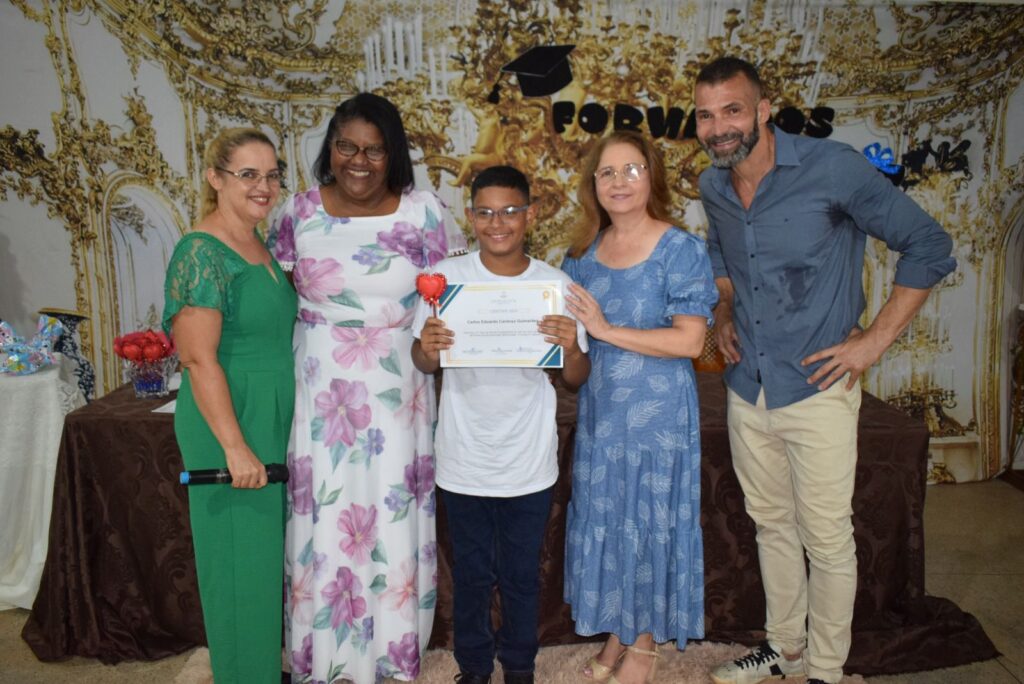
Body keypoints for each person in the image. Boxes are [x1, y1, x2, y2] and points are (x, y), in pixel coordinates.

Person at [694, 57, 956, 684]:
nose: (718, 127)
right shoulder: (712, 184)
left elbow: (930, 245)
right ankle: (784, 649)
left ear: (763, 111)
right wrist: (724, 310)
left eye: (733, 110)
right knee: (771, 527)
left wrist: (873, 343)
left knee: (827, 537)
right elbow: (720, 253)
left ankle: (826, 670)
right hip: (747, 387)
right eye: (705, 115)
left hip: (819, 388)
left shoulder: (832, 167)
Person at [268, 93, 467, 684]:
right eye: (347, 146)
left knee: (391, 513)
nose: (359, 160)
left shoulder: (425, 214)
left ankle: (391, 658)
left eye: (374, 150)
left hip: (399, 385)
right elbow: (276, 304)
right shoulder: (297, 213)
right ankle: (321, 660)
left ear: (393, 153)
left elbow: (454, 300)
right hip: (320, 386)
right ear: (330, 148)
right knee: (324, 515)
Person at [411, 165, 591, 684]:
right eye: (486, 212)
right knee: (470, 576)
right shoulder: (445, 279)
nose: (498, 223)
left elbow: (576, 378)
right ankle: (472, 669)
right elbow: (422, 360)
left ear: (530, 215)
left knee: (520, 577)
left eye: (510, 211)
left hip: (527, 461)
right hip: (463, 458)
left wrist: (570, 347)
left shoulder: (554, 285)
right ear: (470, 217)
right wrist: (428, 349)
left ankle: (519, 667)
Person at [561, 130, 718, 684]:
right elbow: (573, 343)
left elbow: (690, 342)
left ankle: (644, 644)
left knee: (647, 521)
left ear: (652, 176)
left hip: (659, 416)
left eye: (632, 169)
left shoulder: (680, 249)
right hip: (602, 415)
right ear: (593, 185)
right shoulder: (580, 256)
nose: (619, 182)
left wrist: (605, 329)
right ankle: (619, 631)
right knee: (609, 518)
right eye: (607, 172)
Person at [163, 127, 296, 683]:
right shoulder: (201, 251)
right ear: (215, 178)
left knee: (259, 564)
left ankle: (258, 672)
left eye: (272, 175)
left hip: (266, 415)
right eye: (248, 174)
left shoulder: (258, 244)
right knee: (238, 566)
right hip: (231, 420)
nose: (263, 186)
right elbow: (198, 360)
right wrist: (235, 446)